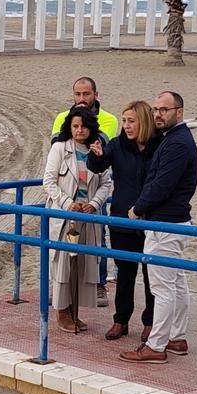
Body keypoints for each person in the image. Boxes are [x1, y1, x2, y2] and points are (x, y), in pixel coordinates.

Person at [119, 91, 197, 364]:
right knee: (175, 282)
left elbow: (162, 183)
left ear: (180, 111)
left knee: (163, 287)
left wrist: (138, 208)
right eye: (155, 110)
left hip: (166, 223)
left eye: (164, 110)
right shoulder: (173, 140)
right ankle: (176, 337)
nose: (158, 115)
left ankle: (157, 345)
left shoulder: (177, 143)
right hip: (173, 221)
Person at [87, 100, 161, 343]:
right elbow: (98, 165)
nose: (127, 126)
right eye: (124, 121)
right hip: (121, 220)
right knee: (125, 273)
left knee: (153, 276)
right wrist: (96, 156)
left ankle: (150, 323)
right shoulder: (117, 145)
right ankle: (121, 320)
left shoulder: (160, 145)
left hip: (152, 220)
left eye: (132, 121)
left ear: (144, 121)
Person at [42, 107, 113, 334]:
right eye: (75, 126)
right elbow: (49, 182)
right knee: (64, 264)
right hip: (65, 217)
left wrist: (94, 203)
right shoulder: (60, 149)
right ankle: (62, 312)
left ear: (91, 127)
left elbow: (106, 183)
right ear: (69, 127)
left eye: (83, 126)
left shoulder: (98, 151)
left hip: (89, 216)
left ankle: (75, 312)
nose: (79, 130)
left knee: (84, 264)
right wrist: (67, 204)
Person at [50, 76, 119, 308]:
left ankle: (98, 283)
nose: (81, 99)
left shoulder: (109, 120)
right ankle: (61, 293)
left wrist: (96, 201)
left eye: (86, 94)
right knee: (62, 248)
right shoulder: (61, 119)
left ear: (95, 95)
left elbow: (103, 160)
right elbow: (54, 160)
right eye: (77, 94)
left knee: (97, 241)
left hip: (91, 197)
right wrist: (67, 201)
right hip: (67, 202)